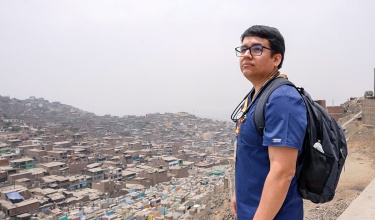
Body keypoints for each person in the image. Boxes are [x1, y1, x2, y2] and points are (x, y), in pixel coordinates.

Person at [230, 25, 307, 219]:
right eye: (243, 49)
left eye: (256, 49)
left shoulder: (282, 98)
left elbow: (283, 172)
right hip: (250, 207)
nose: (246, 55)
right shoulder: (256, 96)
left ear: (276, 58)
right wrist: (238, 192)